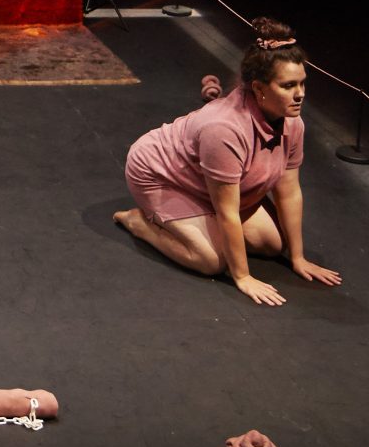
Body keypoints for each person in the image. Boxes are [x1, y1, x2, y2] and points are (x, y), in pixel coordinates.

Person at [113, 17, 343, 307]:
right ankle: (139, 222)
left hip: (210, 183)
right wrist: (243, 276)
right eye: (288, 86)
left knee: (272, 245)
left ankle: (199, 223)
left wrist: (298, 258)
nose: (300, 94)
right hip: (160, 174)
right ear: (259, 88)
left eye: (302, 83)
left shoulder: (293, 125)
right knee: (210, 260)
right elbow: (227, 210)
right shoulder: (224, 130)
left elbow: (289, 191)